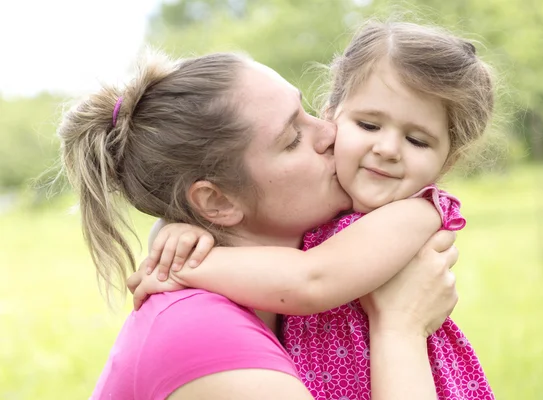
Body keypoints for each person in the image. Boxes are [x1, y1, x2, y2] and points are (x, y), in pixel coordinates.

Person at [58, 49, 459, 399]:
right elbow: (311, 280)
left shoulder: (382, 218)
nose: (330, 132)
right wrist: (401, 330)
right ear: (216, 202)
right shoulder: (201, 334)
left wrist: (176, 240)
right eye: (292, 138)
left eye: (309, 112)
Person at [132, 20, 496, 400]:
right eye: (368, 124)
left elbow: (312, 280)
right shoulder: (326, 202)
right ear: (333, 116)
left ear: (446, 161)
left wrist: (187, 266)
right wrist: (177, 231)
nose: (388, 148)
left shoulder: (415, 213)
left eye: (417, 140)